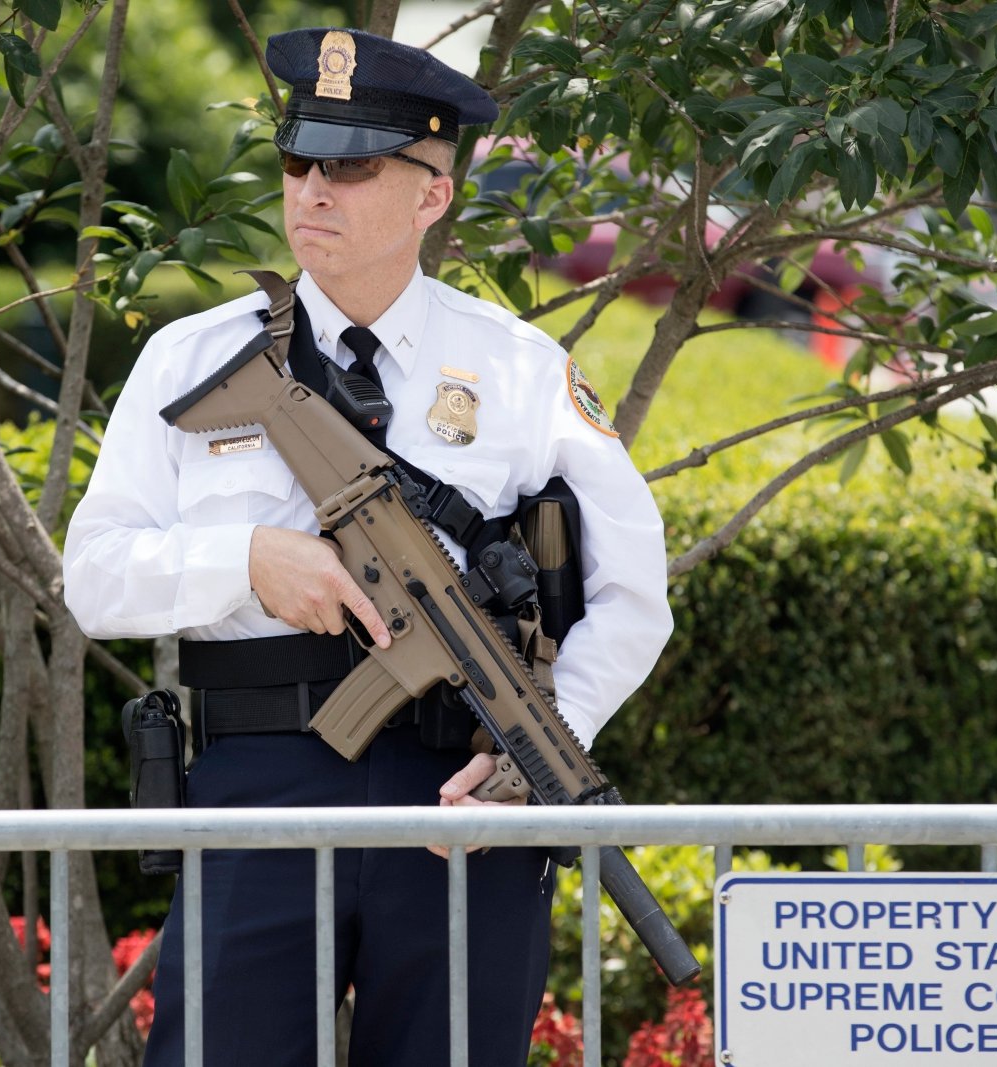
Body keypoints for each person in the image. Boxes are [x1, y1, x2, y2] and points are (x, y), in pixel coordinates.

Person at [63, 26, 672, 1067]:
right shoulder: (192, 357)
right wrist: (246, 560)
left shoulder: (517, 369)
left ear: (431, 194)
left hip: (461, 799)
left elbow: (632, 595)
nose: (311, 192)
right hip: (255, 789)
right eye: (299, 162)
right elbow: (95, 574)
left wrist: (528, 757)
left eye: (349, 168)